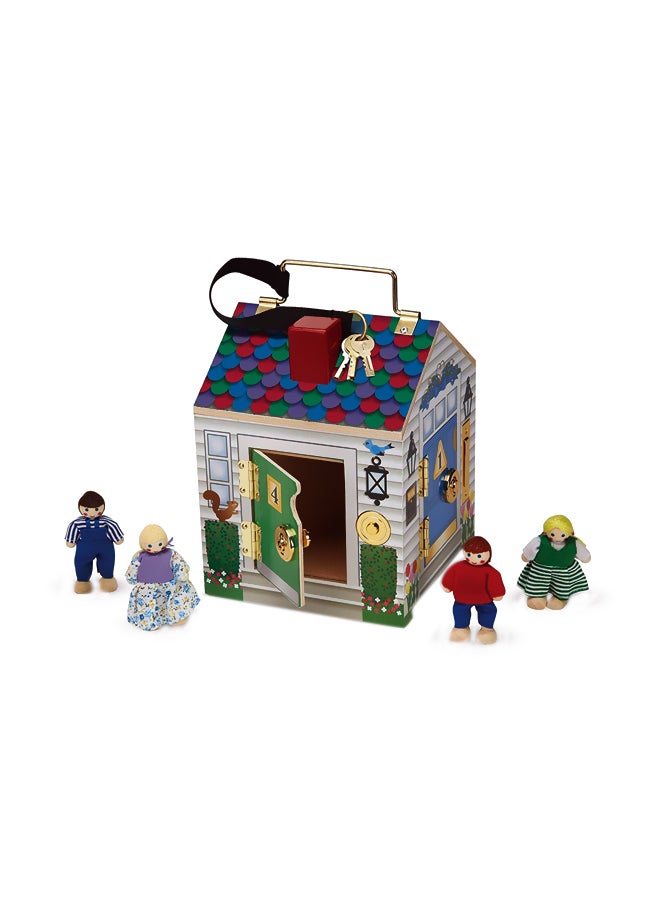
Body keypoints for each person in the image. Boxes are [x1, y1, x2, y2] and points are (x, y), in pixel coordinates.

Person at [125, 524, 201, 631]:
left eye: (159, 544)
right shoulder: (139, 557)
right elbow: (132, 570)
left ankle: (176, 616)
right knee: (148, 604)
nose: (155, 548)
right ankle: (151, 621)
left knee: (176, 595)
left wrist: (182, 575)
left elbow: (179, 564)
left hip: (168, 586)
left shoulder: (171, 554)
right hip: (147, 590)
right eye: (150, 546)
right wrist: (131, 578)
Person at [441, 536, 506, 644]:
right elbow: (451, 574)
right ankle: (460, 628)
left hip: (484, 599)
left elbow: (495, 581)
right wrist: (448, 585)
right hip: (462, 598)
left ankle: (487, 629)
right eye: (469, 555)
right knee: (460, 612)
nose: (474, 559)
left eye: (479, 556)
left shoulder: (490, 571)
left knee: (488, 611)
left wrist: (497, 593)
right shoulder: (458, 566)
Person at [518, 514, 590, 610]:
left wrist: (586, 558)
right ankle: (537, 596)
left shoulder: (574, 543)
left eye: (562, 535)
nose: (558, 538)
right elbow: (527, 554)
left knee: (562, 584)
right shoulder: (539, 541)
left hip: (563, 571)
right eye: (552, 534)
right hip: (541, 570)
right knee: (538, 581)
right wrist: (526, 557)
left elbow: (585, 557)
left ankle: (560, 598)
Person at [65, 491, 124, 593]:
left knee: (107, 562)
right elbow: (71, 534)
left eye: (96, 509)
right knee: (81, 563)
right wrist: (71, 541)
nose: (92, 514)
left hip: (105, 548)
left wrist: (118, 539)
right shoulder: (77, 523)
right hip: (84, 549)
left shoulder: (107, 522)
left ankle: (107, 578)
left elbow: (114, 529)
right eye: (87, 510)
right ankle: (82, 581)